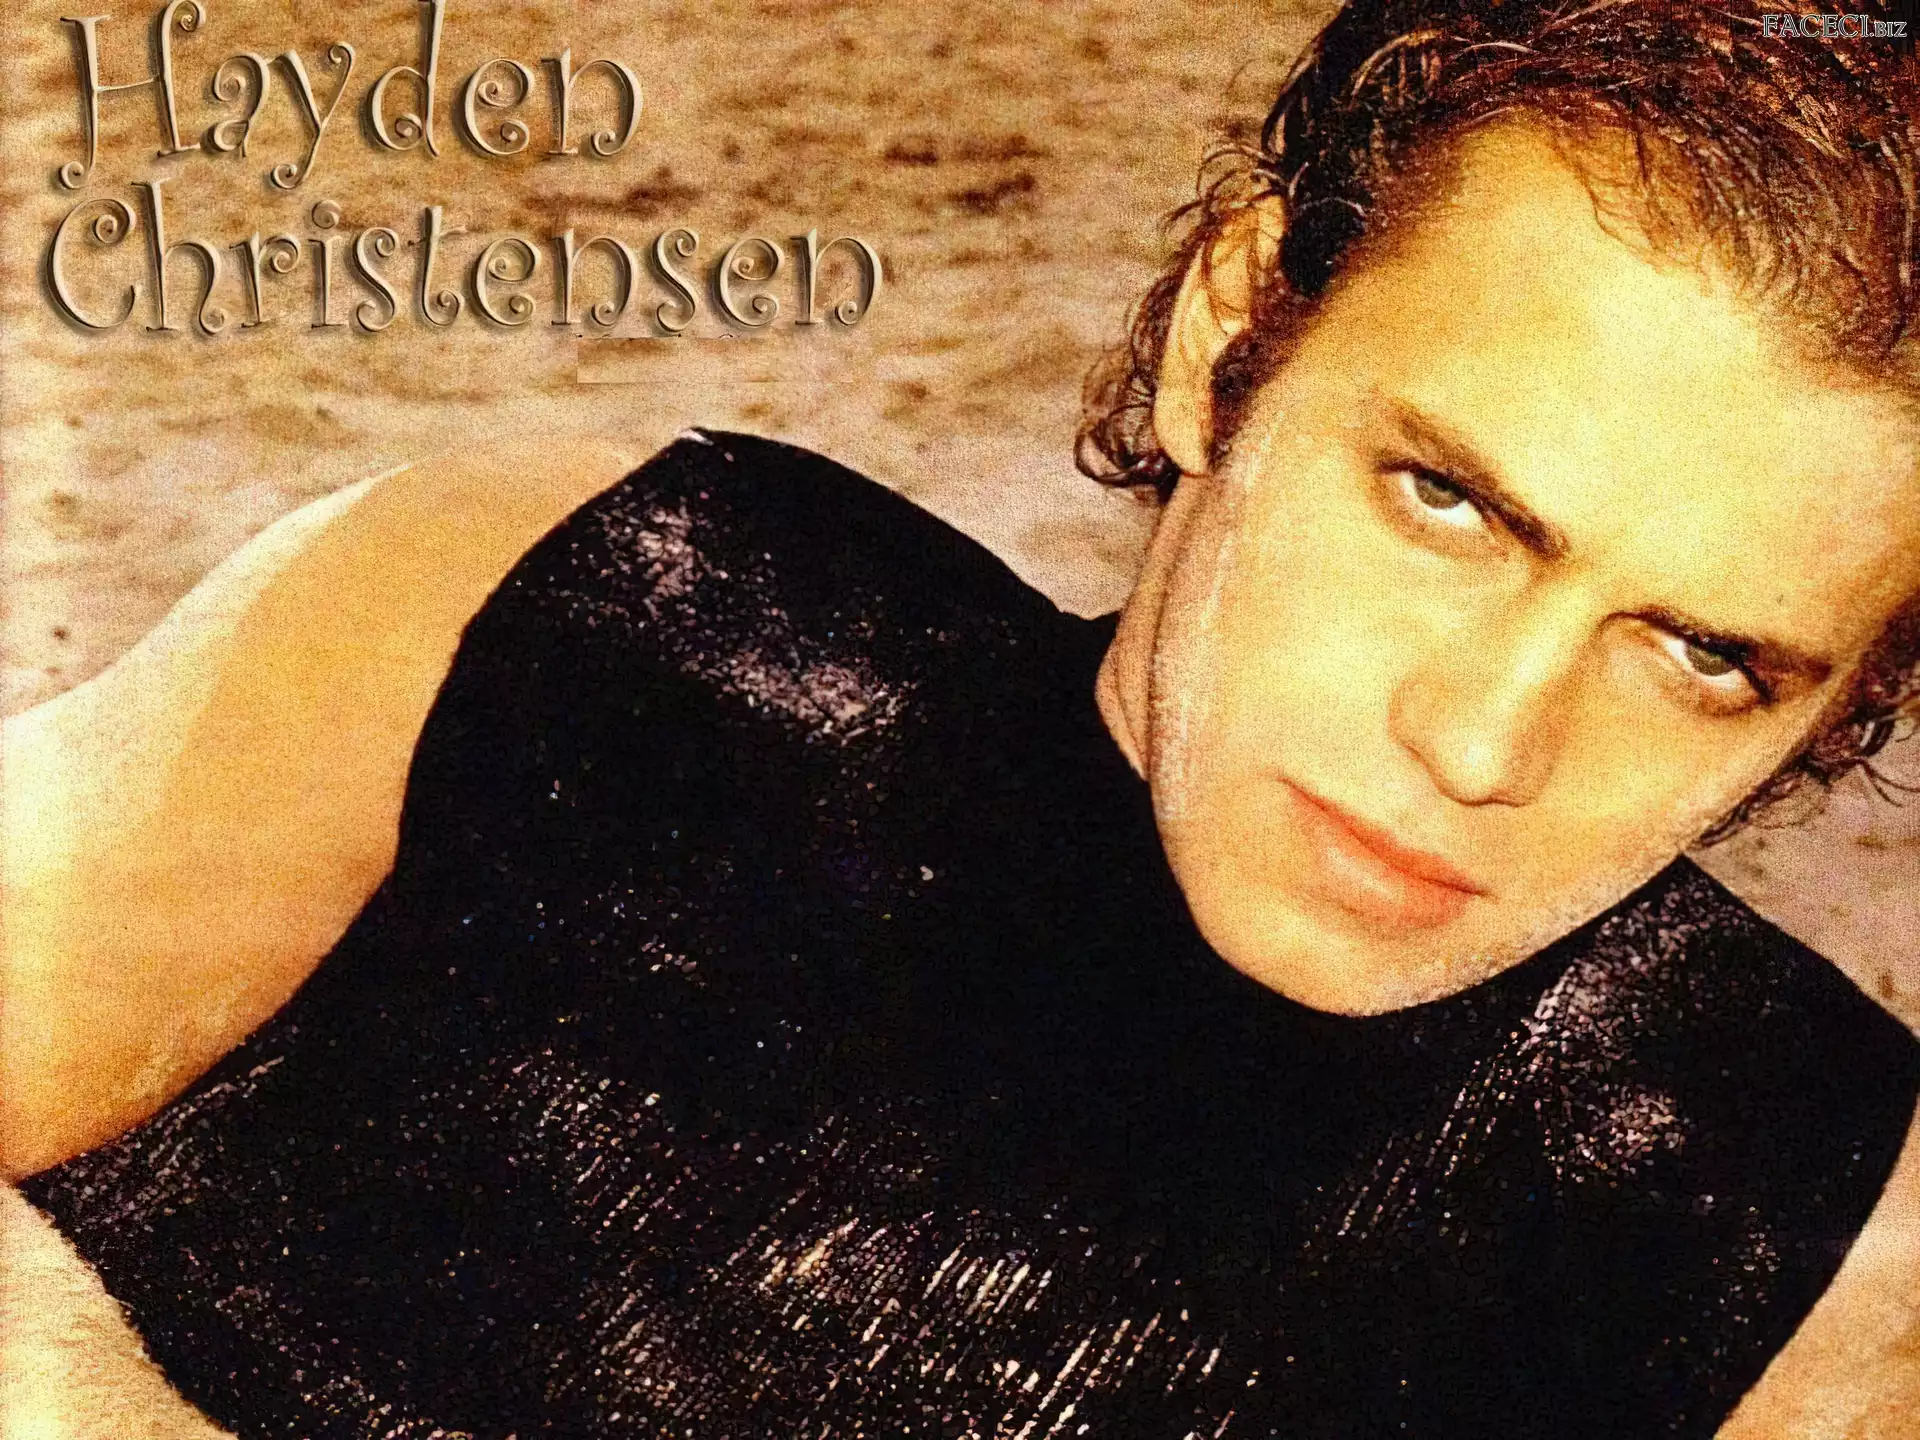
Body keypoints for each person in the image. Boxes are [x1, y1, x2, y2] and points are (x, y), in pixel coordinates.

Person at [7, 0, 1920, 1435]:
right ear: (1225, 336)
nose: (1487, 746)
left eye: (1708, 657)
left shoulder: (1816, 1242)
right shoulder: (570, 609)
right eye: (1446, 504)